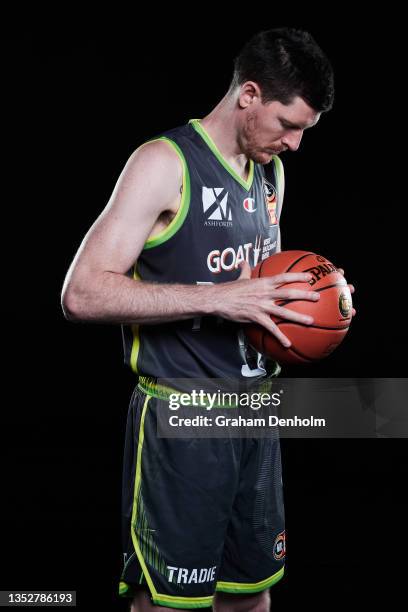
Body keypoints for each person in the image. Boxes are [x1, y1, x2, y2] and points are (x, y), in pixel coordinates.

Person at [61, 27, 355, 611]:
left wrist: (327, 296)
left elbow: (263, 288)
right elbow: (82, 294)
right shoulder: (162, 163)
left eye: (304, 131)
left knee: (251, 597)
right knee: (166, 604)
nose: (296, 143)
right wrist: (216, 298)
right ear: (249, 94)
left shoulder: (271, 172)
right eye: (288, 125)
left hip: (256, 414)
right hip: (180, 420)